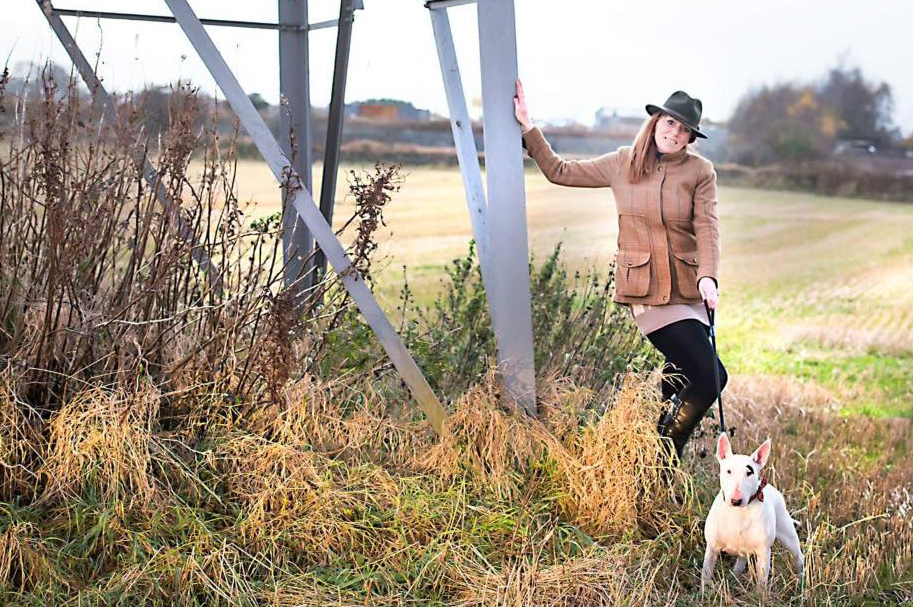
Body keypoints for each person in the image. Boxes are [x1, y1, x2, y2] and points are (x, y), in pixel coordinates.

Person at [514, 80, 727, 460]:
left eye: (684, 130)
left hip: (688, 291)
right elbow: (560, 171)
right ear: (656, 120)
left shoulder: (700, 172)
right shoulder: (621, 163)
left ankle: (650, 466)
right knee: (712, 376)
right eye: (670, 123)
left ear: (690, 137)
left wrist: (708, 276)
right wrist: (529, 129)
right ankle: (660, 459)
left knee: (678, 378)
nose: (675, 134)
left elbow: (708, 227)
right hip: (646, 291)